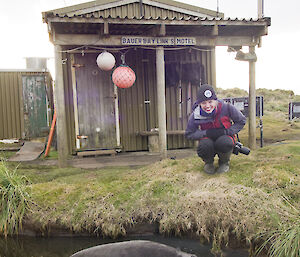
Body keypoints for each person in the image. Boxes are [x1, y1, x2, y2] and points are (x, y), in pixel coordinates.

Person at [185, 84, 246, 174]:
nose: (207, 106)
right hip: (207, 139)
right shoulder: (196, 114)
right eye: (204, 103)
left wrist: (227, 131)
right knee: (204, 145)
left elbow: (241, 121)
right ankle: (208, 163)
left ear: (215, 101)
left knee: (225, 142)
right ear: (199, 104)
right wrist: (207, 133)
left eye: (210, 102)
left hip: (225, 137)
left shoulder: (227, 107)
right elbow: (189, 133)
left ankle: (224, 163)